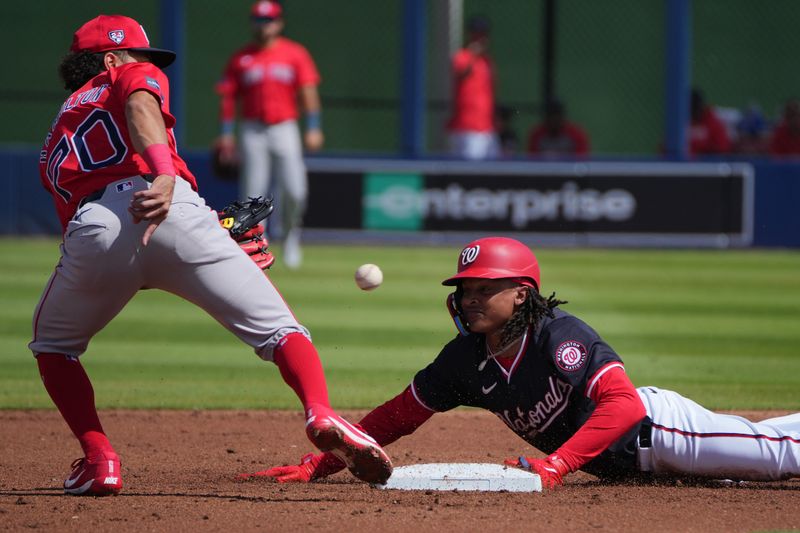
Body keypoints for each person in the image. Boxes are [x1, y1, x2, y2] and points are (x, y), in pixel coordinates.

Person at [33, 13, 390, 497]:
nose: (147, 63)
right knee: (281, 330)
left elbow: (94, 223)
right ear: (111, 57)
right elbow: (141, 105)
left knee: (54, 346)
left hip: (95, 225)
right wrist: (163, 175)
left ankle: (100, 460)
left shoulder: (59, 129)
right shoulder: (127, 73)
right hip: (172, 203)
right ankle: (320, 411)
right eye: (139, 54)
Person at [248, 237, 800, 488]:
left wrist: (556, 466)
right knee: (771, 440)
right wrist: (320, 463)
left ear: (520, 294)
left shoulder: (559, 335)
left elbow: (625, 406)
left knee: (778, 456)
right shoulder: (465, 360)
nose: (468, 300)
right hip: (621, 463)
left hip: (662, 433)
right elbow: (398, 416)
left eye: (483, 289)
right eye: (463, 290)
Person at [215, 0, 323, 269]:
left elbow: (308, 92)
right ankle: (257, 246)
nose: (264, 25)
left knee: (296, 189)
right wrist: (226, 134)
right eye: (260, 20)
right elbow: (228, 98)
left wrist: (314, 126)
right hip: (253, 129)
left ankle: (290, 236)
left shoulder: (294, 53)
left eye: (269, 20)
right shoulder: (242, 58)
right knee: (253, 191)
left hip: (285, 127)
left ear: (279, 23)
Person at [446, 15, 500, 160]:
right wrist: (473, 54)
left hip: (487, 127)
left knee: (493, 171)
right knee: (469, 172)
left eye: (483, 34)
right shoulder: (462, 56)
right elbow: (461, 74)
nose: (480, 38)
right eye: (477, 33)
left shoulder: (487, 62)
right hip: (466, 127)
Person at [688, 88, 731, 155]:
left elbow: (723, 148)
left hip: (708, 162)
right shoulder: (682, 122)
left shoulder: (713, 123)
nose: (695, 112)